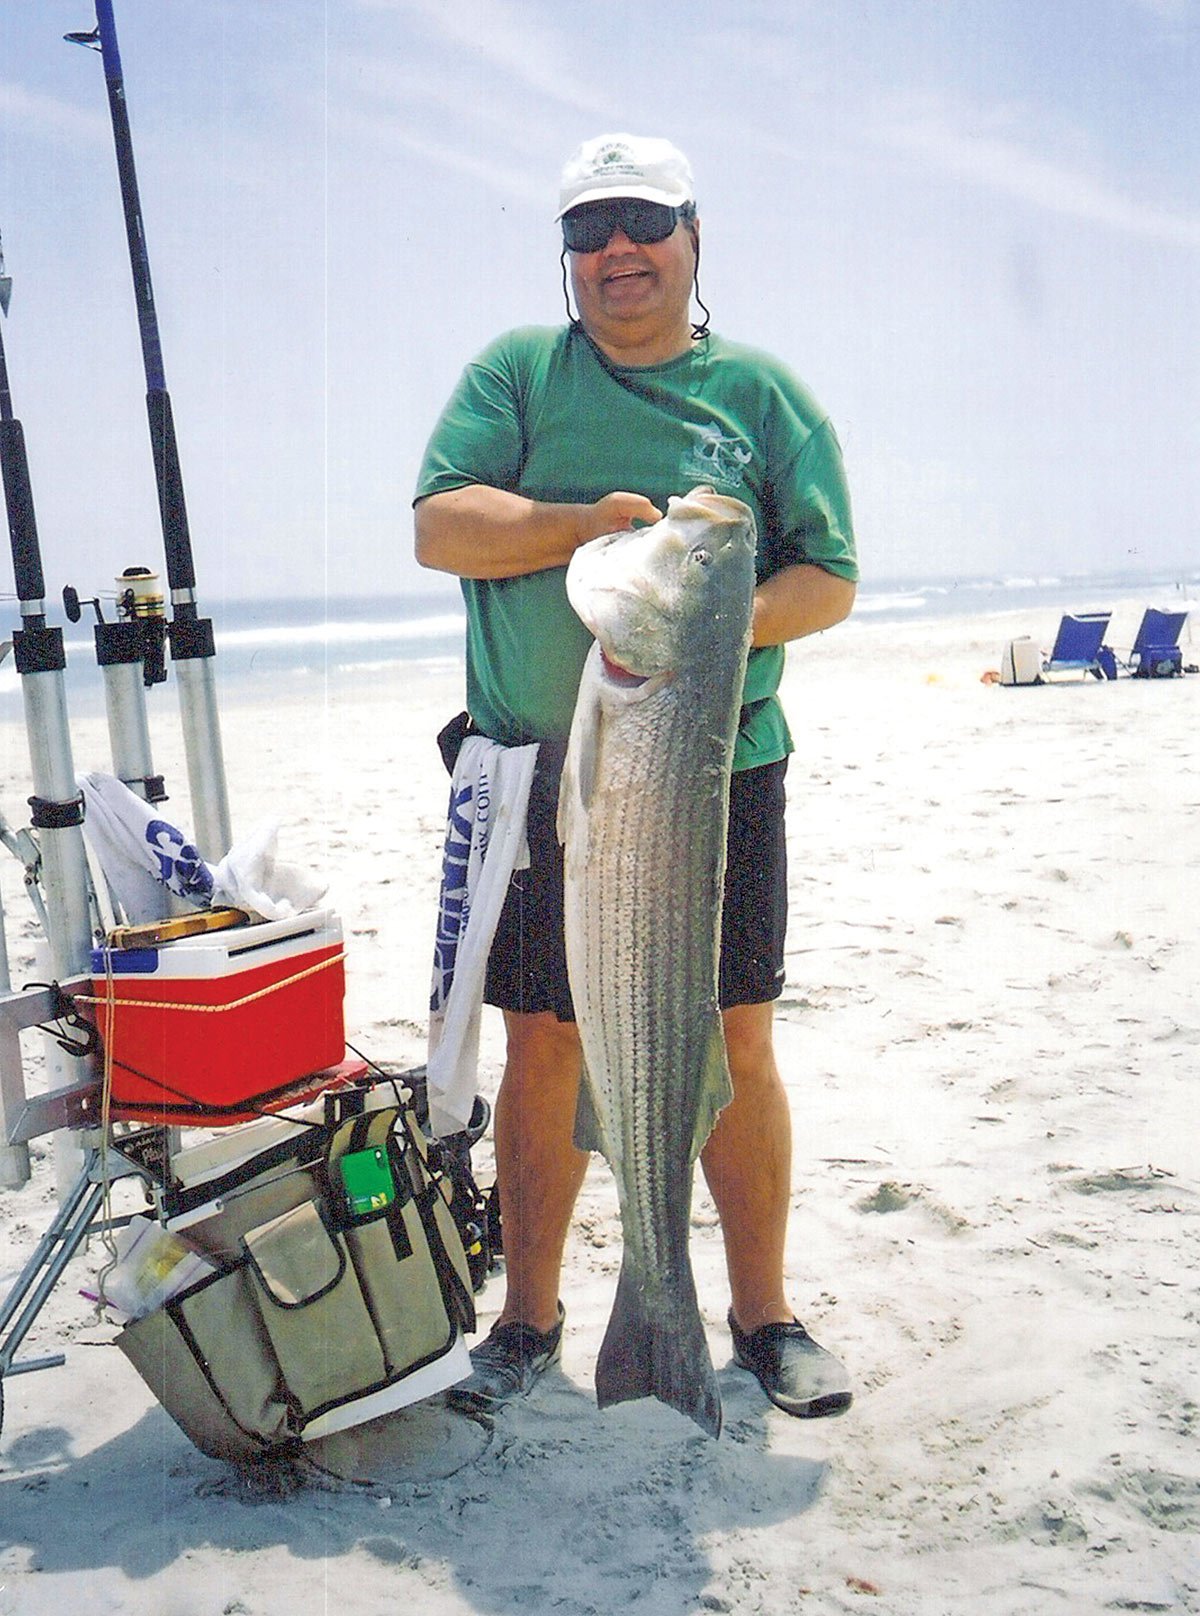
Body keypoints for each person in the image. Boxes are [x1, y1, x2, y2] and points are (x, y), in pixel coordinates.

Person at [413, 133, 858, 1420]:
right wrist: (593, 530)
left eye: (644, 222)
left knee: (734, 1039)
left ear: (692, 236)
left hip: (719, 772)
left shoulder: (765, 398)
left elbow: (827, 577)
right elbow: (444, 522)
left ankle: (763, 1316)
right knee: (543, 1041)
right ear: (569, 257)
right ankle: (528, 1319)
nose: (618, 249)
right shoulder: (518, 373)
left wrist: (706, 622)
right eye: (590, 229)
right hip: (527, 775)